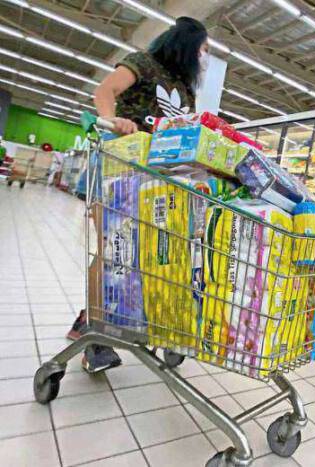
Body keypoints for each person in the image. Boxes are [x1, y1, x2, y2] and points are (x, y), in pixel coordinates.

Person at [68, 16, 210, 372]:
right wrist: (113, 121)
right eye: (203, 50)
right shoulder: (143, 63)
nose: (204, 58)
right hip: (118, 167)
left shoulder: (186, 89)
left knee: (149, 254)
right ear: (187, 45)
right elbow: (105, 91)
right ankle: (95, 336)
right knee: (112, 249)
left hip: (157, 178)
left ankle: (115, 320)